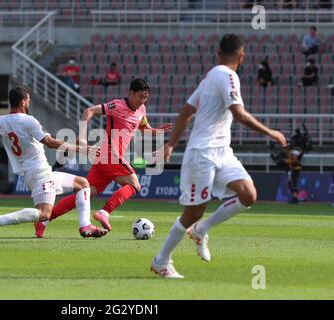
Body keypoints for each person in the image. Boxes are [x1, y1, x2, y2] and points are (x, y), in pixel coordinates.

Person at [150, 34, 287, 278]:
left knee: (248, 194)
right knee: (192, 212)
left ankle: (201, 230)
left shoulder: (210, 77)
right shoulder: (227, 76)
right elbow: (239, 113)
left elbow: (184, 113)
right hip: (202, 153)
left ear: (218, 53)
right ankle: (161, 261)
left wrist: (171, 144)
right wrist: (271, 132)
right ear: (242, 55)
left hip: (222, 151)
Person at [0, 86, 107, 241]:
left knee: (83, 184)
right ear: (22, 102)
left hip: (32, 173)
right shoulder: (28, 120)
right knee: (43, 213)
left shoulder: (0, 122)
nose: (29, 103)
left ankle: (84, 225)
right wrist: (82, 148)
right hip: (40, 172)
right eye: (28, 101)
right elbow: (49, 142)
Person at [35, 79, 172, 238]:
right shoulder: (117, 105)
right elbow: (89, 111)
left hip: (104, 158)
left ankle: (44, 219)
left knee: (85, 192)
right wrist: (83, 136)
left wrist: (157, 131)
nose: (143, 101)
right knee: (135, 185)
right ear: (131, 93)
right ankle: (104, 212)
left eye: (145, 97)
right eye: (140, 96)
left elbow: (144, 128)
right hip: (110, 154)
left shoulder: (141, 109)